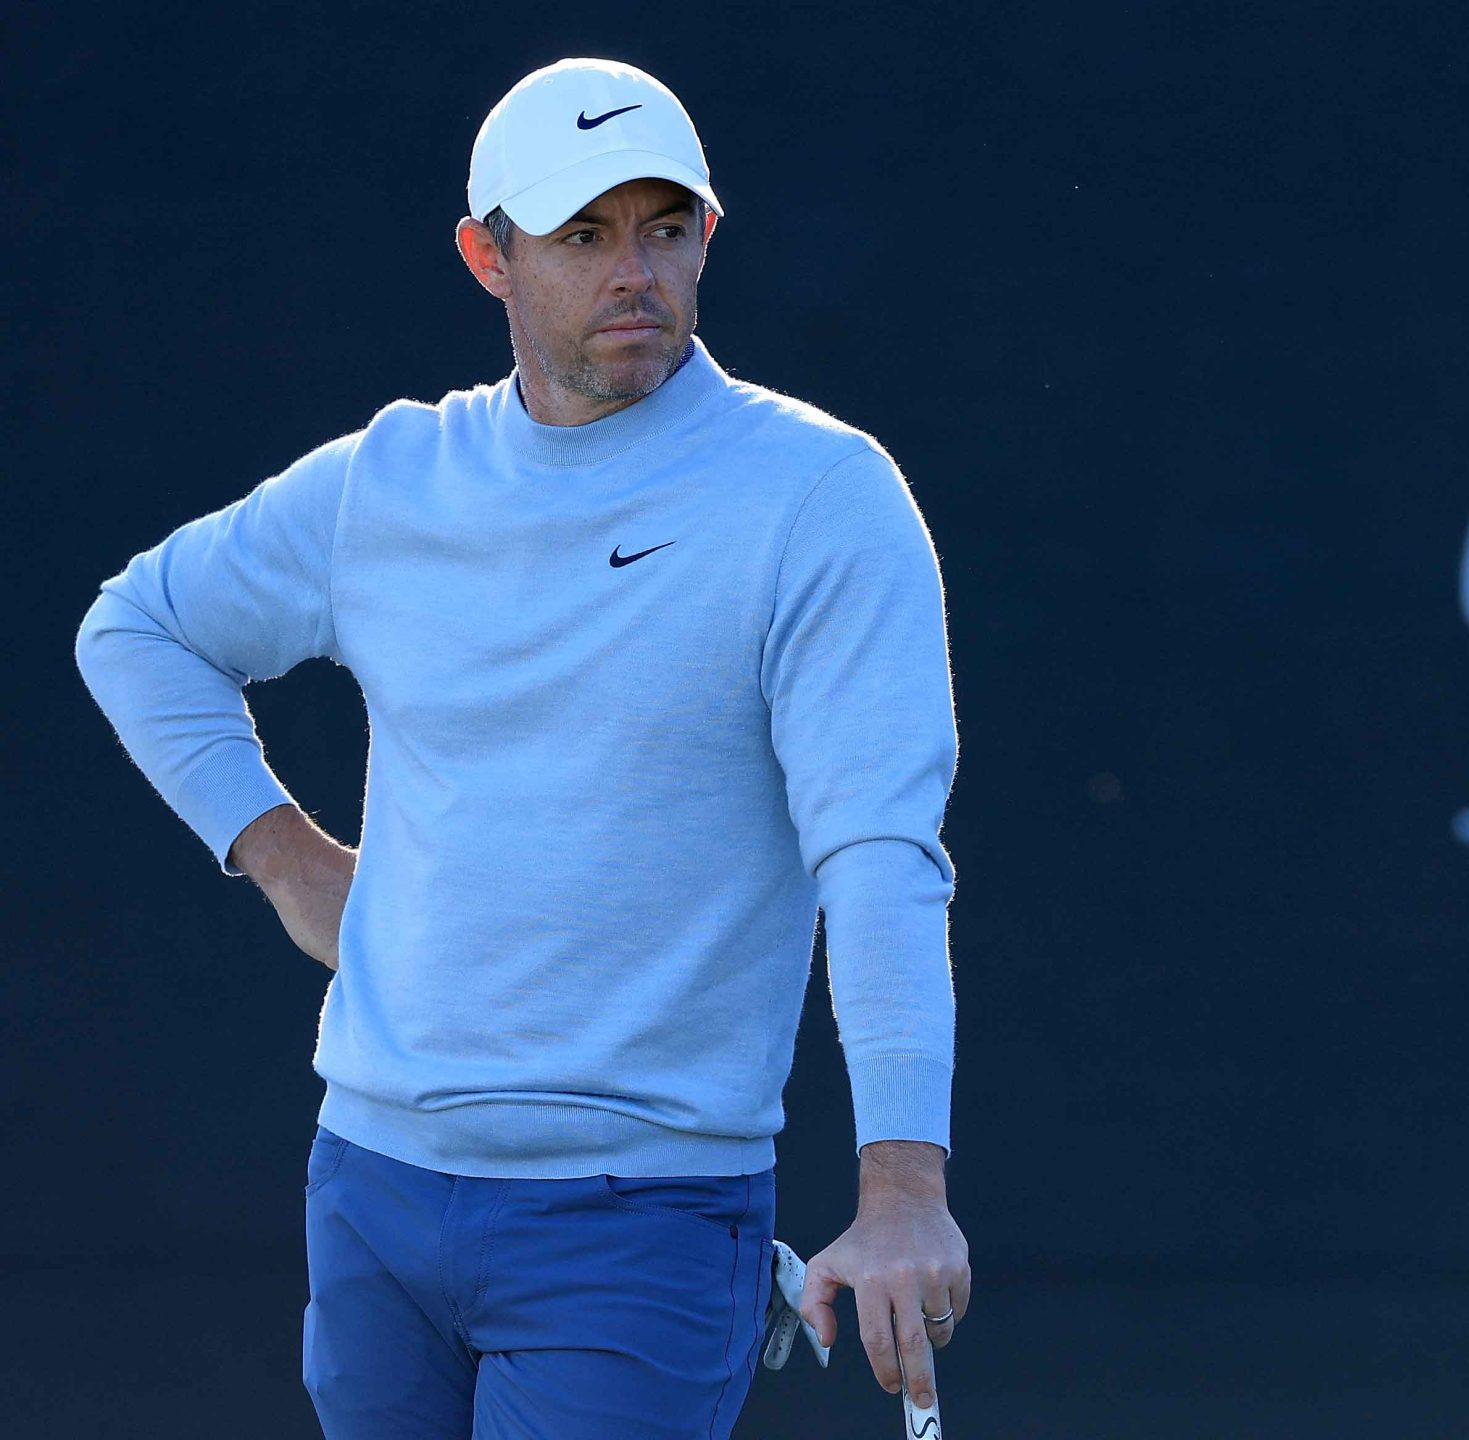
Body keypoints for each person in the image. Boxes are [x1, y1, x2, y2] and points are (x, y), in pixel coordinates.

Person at [72, 57, 967, 1437]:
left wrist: (904, 1187)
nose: (636, 275)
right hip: (370, 1186)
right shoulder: (390, 479)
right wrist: (288, 858)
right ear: (486, 257)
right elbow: (137, 627)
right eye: (585, 234)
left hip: (644, 1222)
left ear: (708, 239)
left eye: (666, 230)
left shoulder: (820, 498)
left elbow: (880, 855)